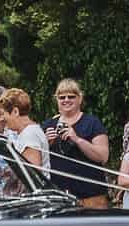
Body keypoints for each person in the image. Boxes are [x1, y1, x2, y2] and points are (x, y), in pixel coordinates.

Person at [44, 78, 112, 208]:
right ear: (56, 100)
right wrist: (46, 143)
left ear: (80, 99)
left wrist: (77, 139)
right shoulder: (48, 125)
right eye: (61, 97)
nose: (66, 100)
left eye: (71, 96)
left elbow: (103, 157)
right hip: (58, 198)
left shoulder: (92, 122)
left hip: (91, 197)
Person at [0, 87, 48, 169]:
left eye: (3, 113)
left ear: (15, 112)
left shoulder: (29, 135)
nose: (2, 118)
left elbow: (33, 173)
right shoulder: (29, 131)